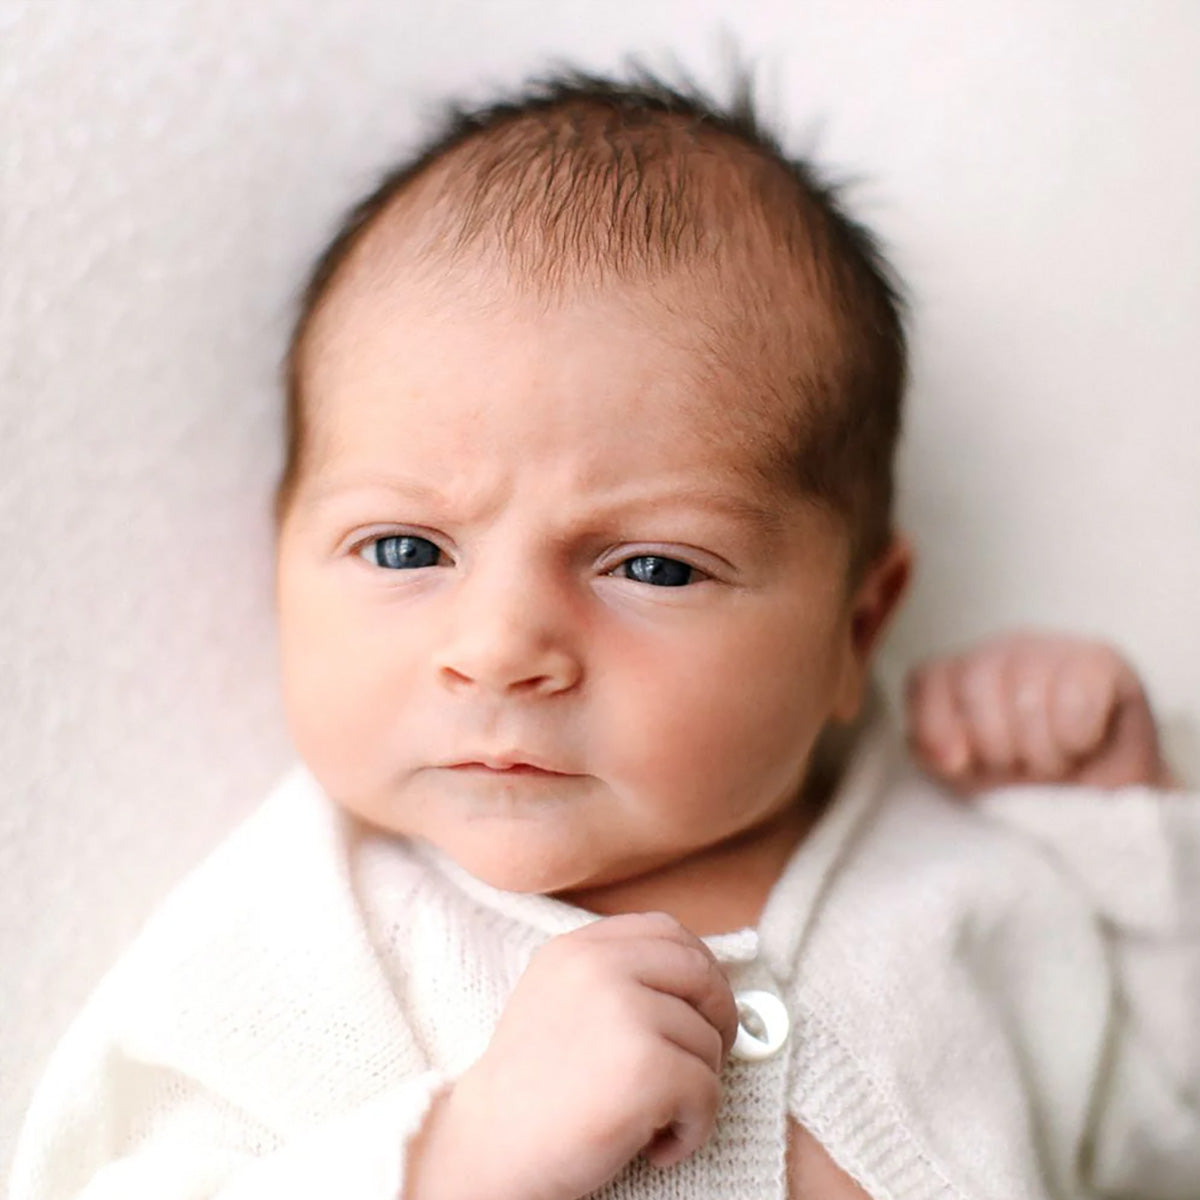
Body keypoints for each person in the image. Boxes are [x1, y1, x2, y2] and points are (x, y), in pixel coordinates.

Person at [10, 69, 1198, 1200]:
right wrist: (455, 1157)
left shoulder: (964, 882)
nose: (500, 647)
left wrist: (1113, 824)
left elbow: (1161, 1135)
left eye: (653, 567)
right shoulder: (301, 950)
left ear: (857, 625)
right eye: (407, 550)